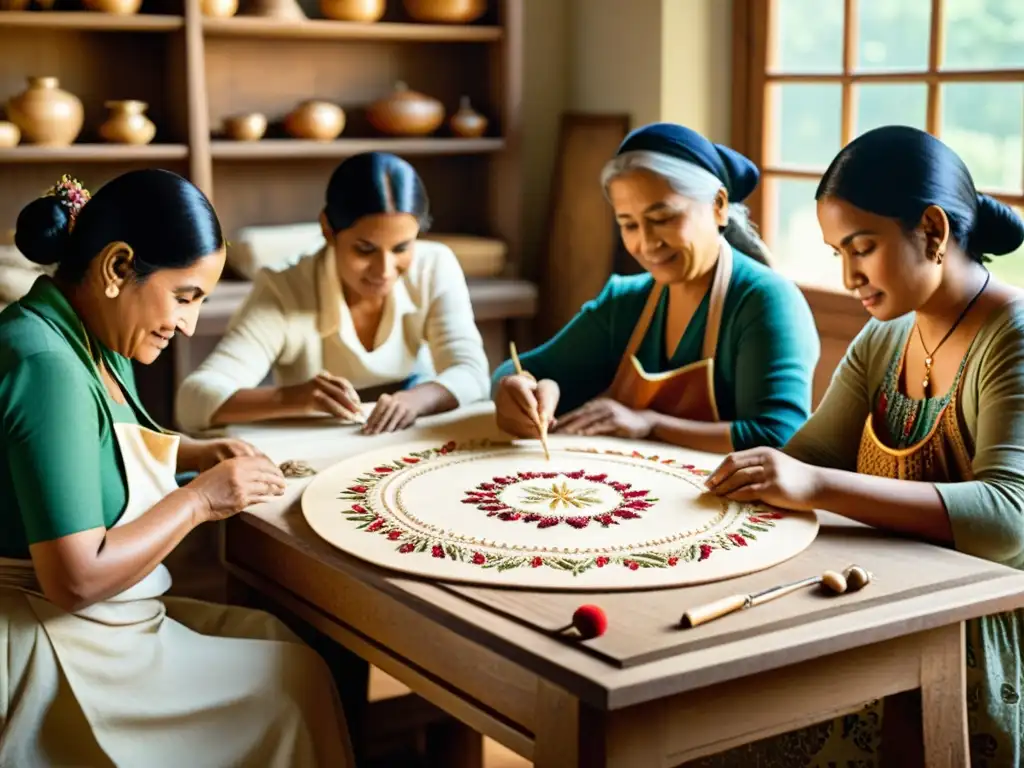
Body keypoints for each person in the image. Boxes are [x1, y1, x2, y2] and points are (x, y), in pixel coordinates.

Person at [0, 170, 354, 767]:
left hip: (99, 620)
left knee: (286, 645)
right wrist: (200, 500)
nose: (188, 324)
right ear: (117, 268)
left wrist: (188, 453)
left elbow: (98, 446)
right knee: (293, 686)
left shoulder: (92, 334)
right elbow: (76, 580)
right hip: (46, 637)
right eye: (184, 296)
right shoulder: (46, 365)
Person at [701, 125, 1024, 766]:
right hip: (886, 597)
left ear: (931, 231)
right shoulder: (884, 338)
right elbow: (807, 456)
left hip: (978, 633)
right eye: (836, 254)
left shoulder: (1010, 335)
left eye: (862, 248)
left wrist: (815, 487)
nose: (849, 275)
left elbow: (1006, 518)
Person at [491, 122, 820, 454]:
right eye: (629, 224)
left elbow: (778, 436)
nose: (647, 244)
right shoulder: (625, 301)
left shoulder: (766, 301)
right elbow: (517, 369)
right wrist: (520, 390)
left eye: (663, 218)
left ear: (718, 205)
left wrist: (650, 424)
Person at [175, 151, 490, 436]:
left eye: (401, 248)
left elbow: (473, 374)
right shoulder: (285, 288)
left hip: (412, 434)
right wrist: (291, 397)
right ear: (328, 229)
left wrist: (416, 399)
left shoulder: (434, 265)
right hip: (317, 450)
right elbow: (192, 402)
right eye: (365, 250)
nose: (384, 269)